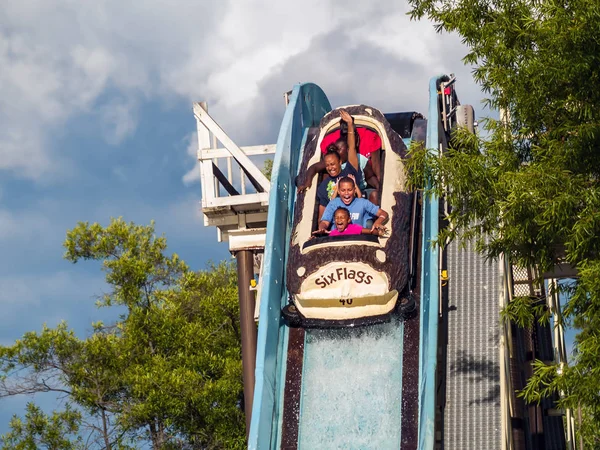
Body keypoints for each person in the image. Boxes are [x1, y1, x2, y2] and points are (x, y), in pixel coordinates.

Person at [301, 110, 362, 219]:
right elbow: (322, 215)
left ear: (340, 162)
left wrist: (349, 124)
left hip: (355, 219)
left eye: (333, 164)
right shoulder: (324, 186)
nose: (330, 168)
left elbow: (351, 147)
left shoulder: (350, 170)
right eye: (327, 165)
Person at [317, 177, 388, 233]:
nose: (346, 193)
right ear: (338, 191)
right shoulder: (333, 203)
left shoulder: (362, 202)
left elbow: (383, 213)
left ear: (354, 190)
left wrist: (377, 222)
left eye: (349, 190)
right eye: (343, 190)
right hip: (337, 239)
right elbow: (324, 222)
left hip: (358, 238)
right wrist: (322, 229)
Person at [313, 207, 387, 237]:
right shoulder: (333, 233)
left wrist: (378, 232)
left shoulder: (354, 228)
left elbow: (370, 231)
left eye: (342, 218)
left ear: (348, 220)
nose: (339, 220)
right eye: (337, 218)